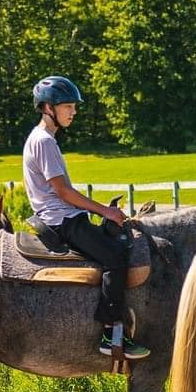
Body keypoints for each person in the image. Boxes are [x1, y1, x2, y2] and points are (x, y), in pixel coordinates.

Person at [23, 75, 149, 360]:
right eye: (67, 106)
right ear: (47, 108)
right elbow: (64, 192)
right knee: (116, 257)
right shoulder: (44, 141)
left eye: (73, 106)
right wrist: (105, 211)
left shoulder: (44, 139)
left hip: (63, 215)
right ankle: (111, 334)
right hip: (62, 220)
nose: (73, 111)